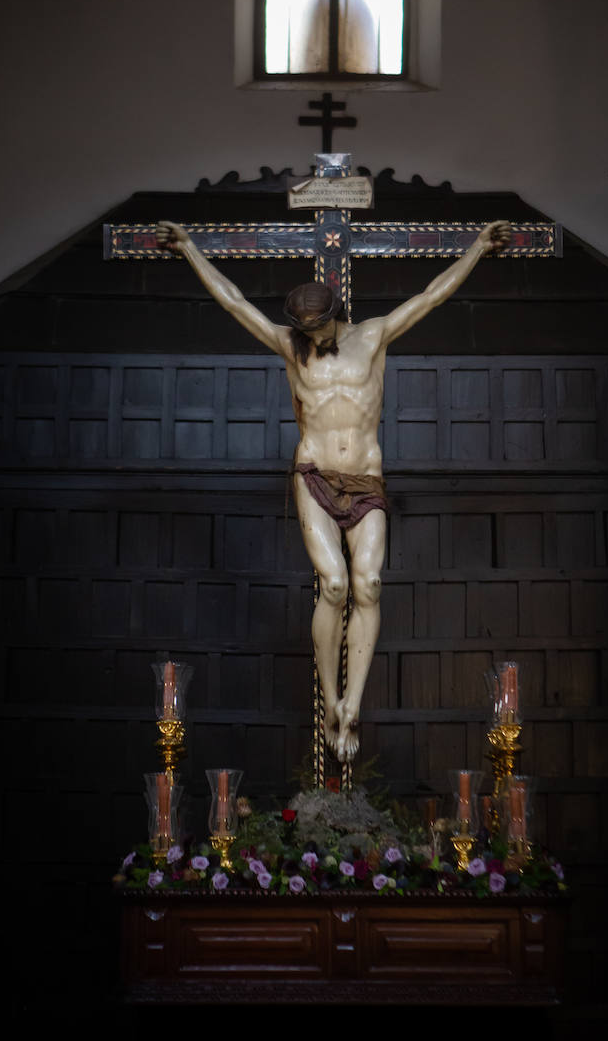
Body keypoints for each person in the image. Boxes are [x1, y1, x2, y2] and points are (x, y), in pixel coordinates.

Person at [156, 218, 511, 761]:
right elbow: (233, 302)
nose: (309, 337)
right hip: (314, 475)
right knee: (335, 585)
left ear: (335, 316)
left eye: (317, 328)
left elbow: (432, 296)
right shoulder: (289, 345)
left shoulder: (373, 336)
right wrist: (189, 250)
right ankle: (328, 695)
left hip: (366, 477)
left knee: (368, 584)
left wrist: (479, 249)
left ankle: (352, 704)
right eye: (303, 328)